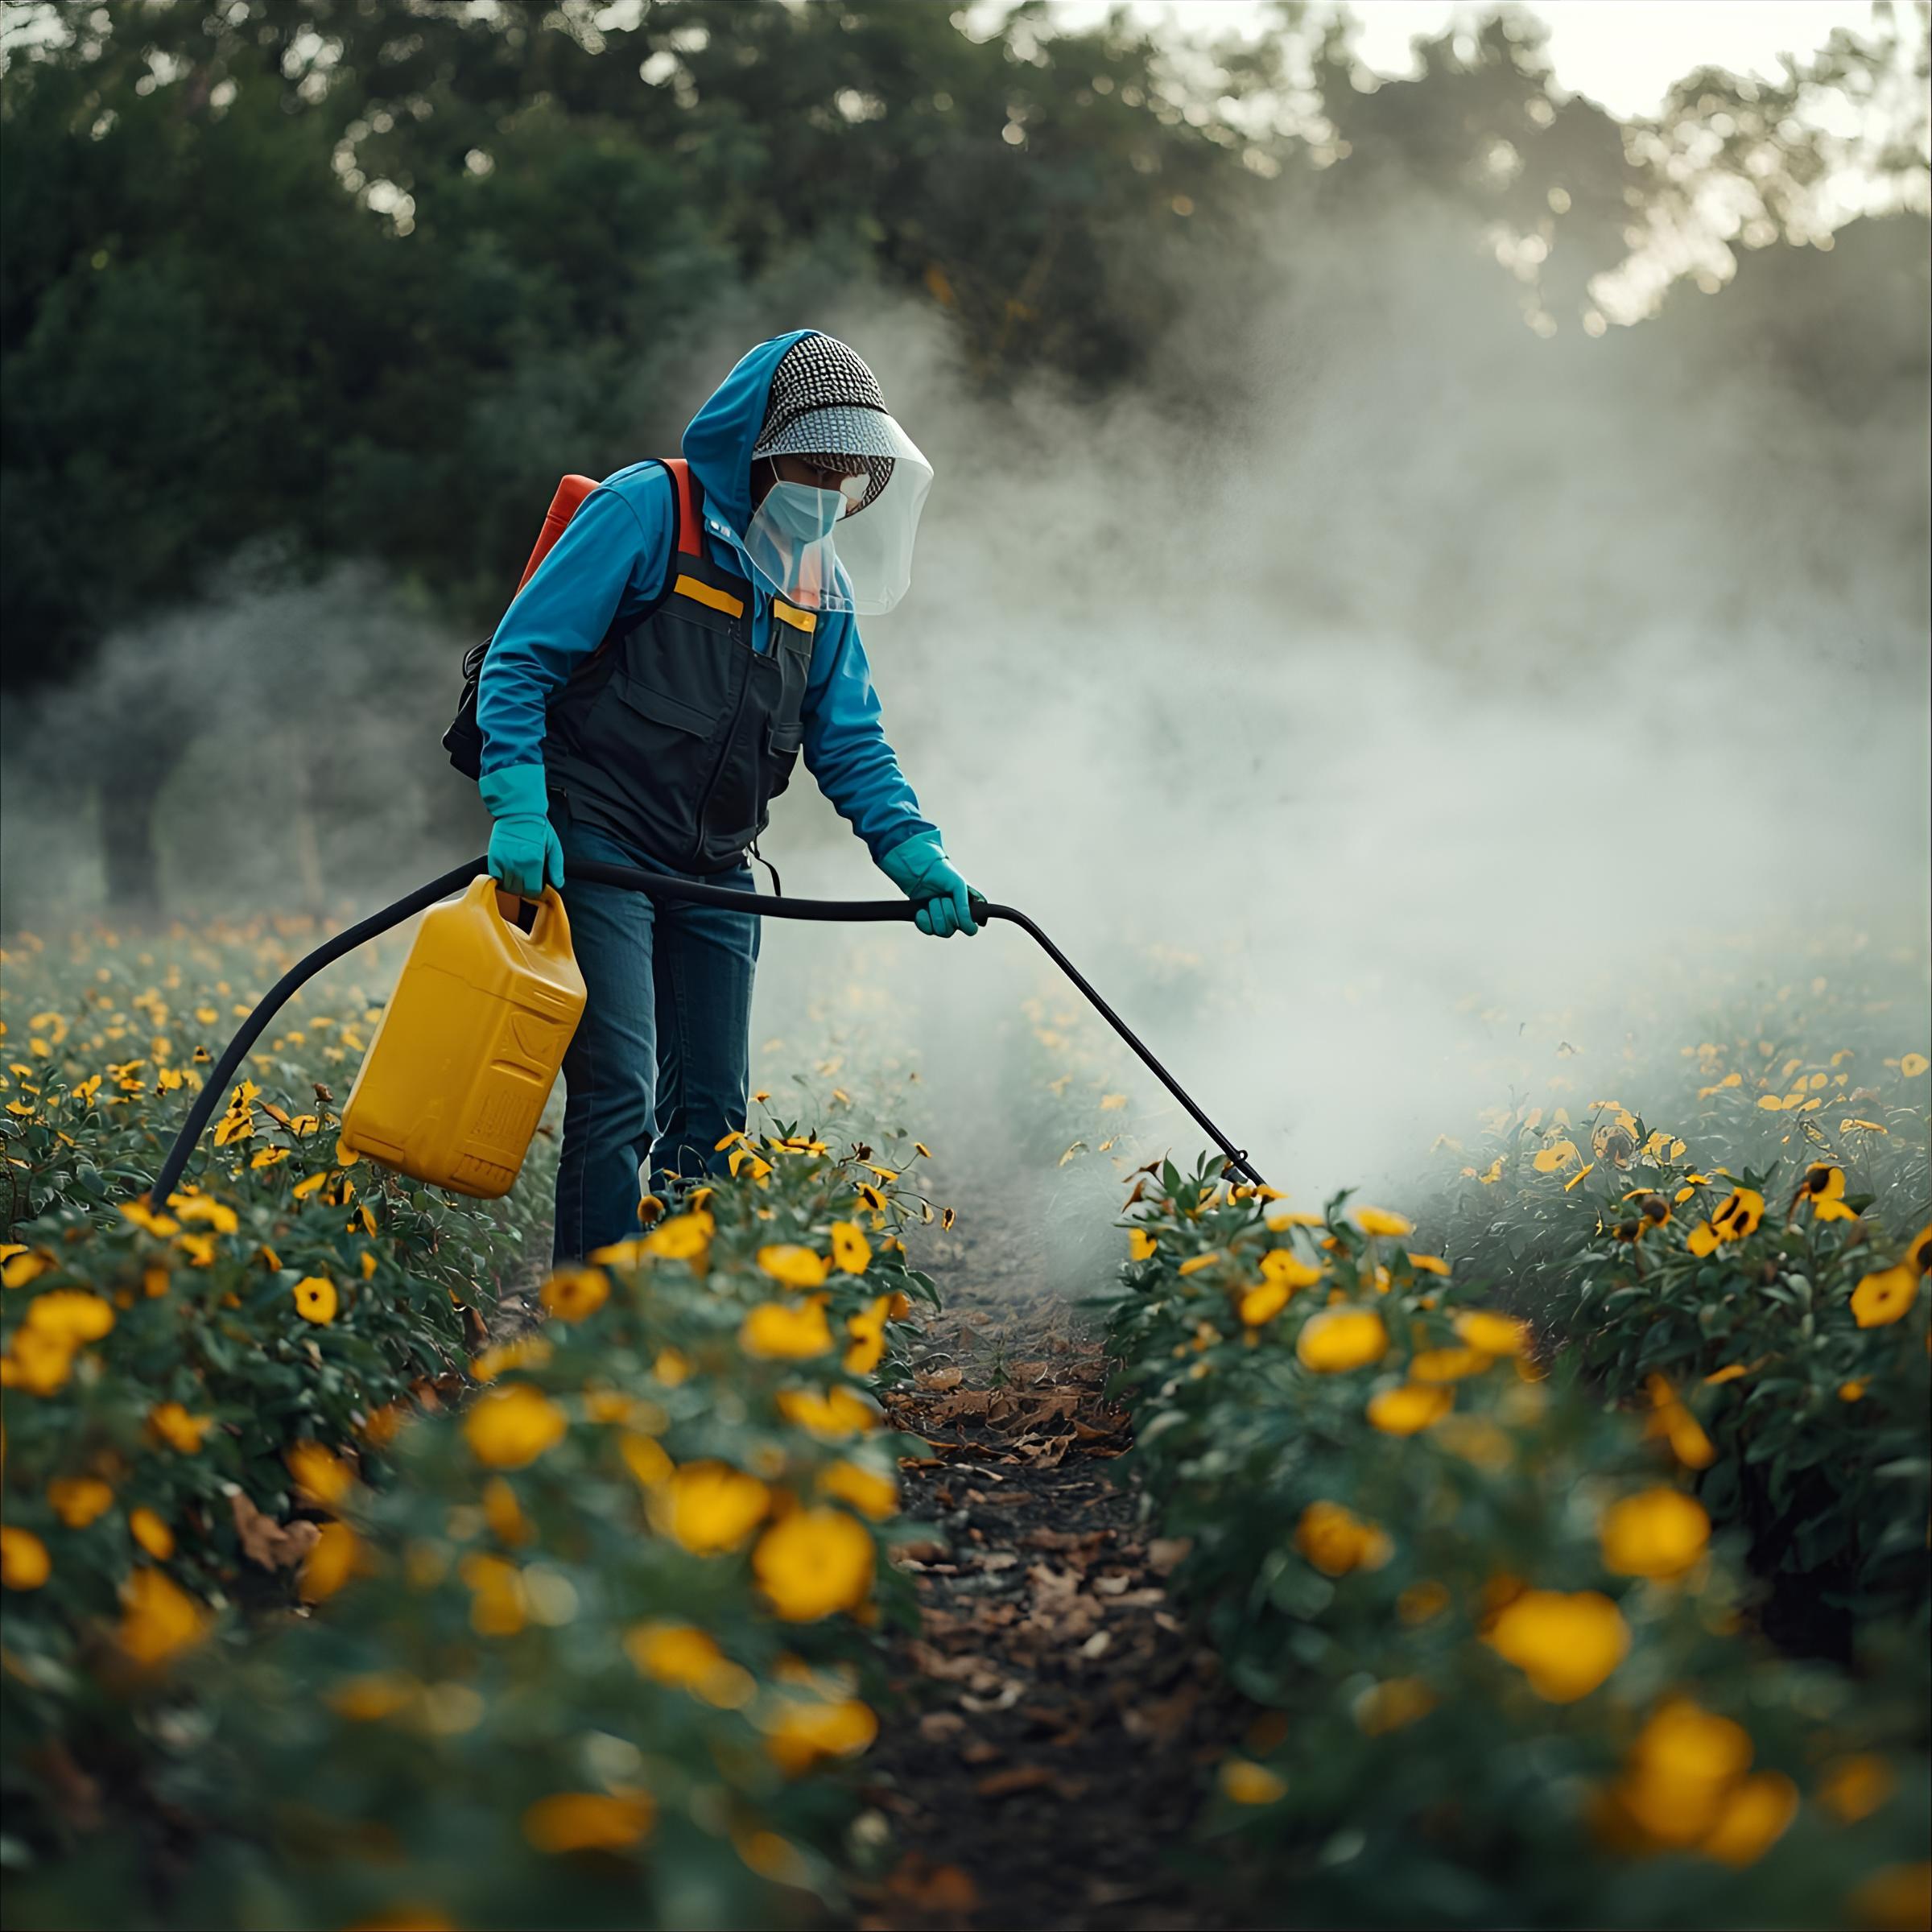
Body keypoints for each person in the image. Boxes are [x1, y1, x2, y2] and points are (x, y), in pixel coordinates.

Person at [474, 329, 978, 1261]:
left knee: (711, 1111)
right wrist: (519, 803)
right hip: (601, 846)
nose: (830, 496)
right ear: (758, 446)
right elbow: (521, 656)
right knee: (619, 1091)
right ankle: (592, 1332)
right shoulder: (646, 513)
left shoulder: (819, 583)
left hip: (714, 862)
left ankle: (684, 1326)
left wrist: (917, 856)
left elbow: (851, 740)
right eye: (813, 468)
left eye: (850, 478)